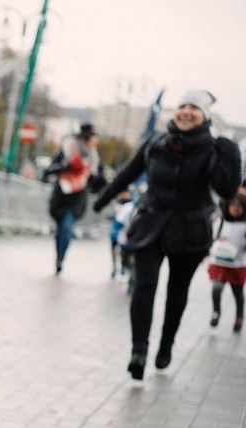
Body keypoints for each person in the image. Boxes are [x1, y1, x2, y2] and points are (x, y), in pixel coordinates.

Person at [92, 90, 241, 380]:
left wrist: (231, 155)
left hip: (191, 231)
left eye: (194, 108)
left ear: (205, 115)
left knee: (177, 292)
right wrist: (101, 198)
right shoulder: (156, 142)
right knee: (144, 286)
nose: (186, 112)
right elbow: (128, 173)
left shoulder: (214, 148)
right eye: (182, 106)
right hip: (151, 225)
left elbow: (226, 189)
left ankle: (166, 345)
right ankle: (139, 351)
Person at [45, 122, 106, 274]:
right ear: (85, 140)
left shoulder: (93, 158)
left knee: (67, 226)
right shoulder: (67, 150)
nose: (95, 145)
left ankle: (61, 258)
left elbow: (99, 179)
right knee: (60, 230)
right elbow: (50, 169)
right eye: (93, 141)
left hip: (78, 198)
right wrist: (66, 167)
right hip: (61, 194)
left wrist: (93, 180)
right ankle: (58, 255)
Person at [207, 188, 246, 332]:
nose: (236, 208)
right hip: (220, 262)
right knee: (216, 288)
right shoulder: (221, 222)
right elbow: (212, 237)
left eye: (239, 205)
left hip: (237, 264)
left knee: (238, 294)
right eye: (233, 205)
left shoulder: (244, 226)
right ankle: (216, 312)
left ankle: (239, 316)